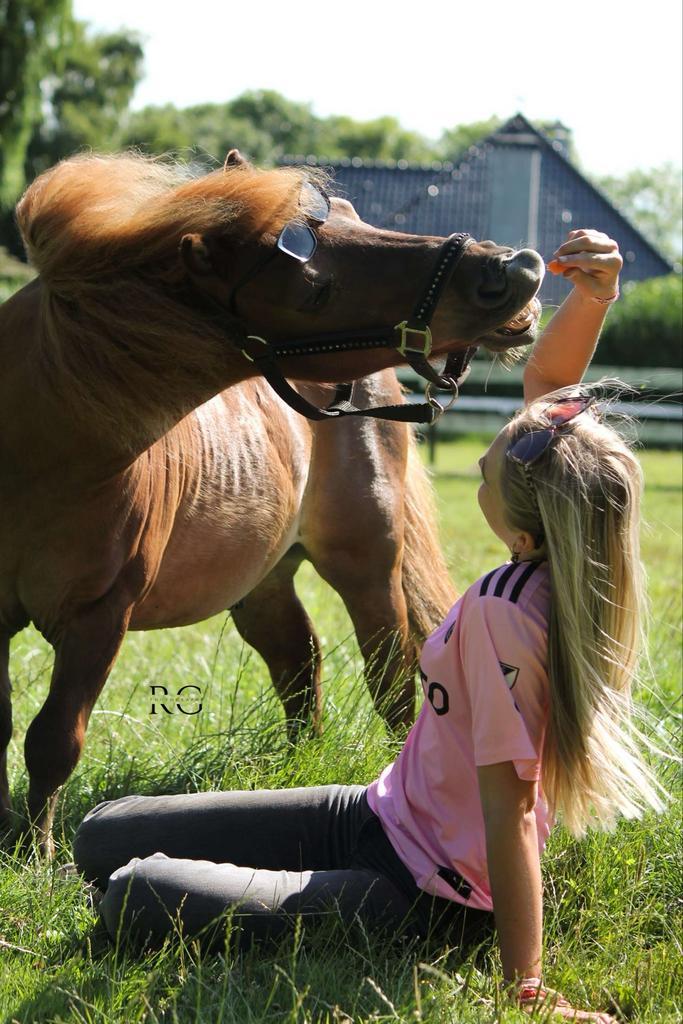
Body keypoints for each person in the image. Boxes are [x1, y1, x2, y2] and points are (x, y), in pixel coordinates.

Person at [73, 230, 665, 1021]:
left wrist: (524, 987)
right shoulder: (561, 553)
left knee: (133, 893)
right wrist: (593, 297)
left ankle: (390, 924)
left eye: (488, 466)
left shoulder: (503, 618)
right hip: (377, 813)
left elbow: (513, 812)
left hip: (421, 889)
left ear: (524, 532)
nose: (481, 458)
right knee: (103, 831)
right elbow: (549, 385)